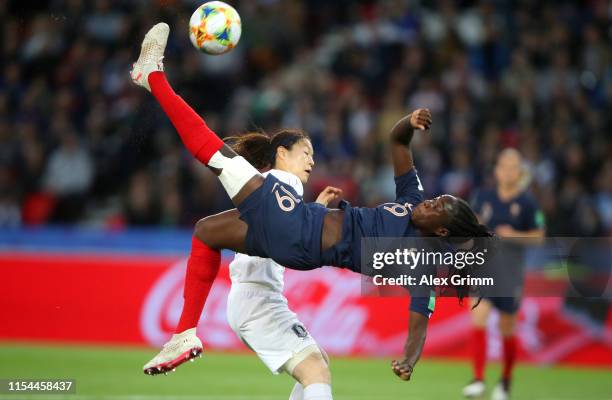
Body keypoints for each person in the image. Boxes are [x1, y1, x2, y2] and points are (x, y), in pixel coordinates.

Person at [131, 23, 491, 388]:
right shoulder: (413, 199)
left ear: (441, 231)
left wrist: (409, 360)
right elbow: (398, 143)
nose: (429, 202)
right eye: (436, 197)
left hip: (299, 233)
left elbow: (419, 321)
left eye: (437, 207)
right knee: (207, 232)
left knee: (218, 157)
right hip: (300, 230)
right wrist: (409, 123)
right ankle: (184, 333)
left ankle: (154, 77)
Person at [144, 129, 341, 400]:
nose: (312, 161)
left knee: (319, 363)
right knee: (315, 371)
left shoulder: (276, 189)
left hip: (258, 300)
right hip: (258, 302)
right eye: (306, 153)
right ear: (282, 154)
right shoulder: (283, 181)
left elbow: (292, 226)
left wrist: (316, 208)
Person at [463, 149, 545, 400]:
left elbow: (539, 237)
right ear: (497, 170)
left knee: (507, 328)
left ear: (520, 173)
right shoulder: (483, 197)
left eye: (513, 167)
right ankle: (478, 379)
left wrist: (513, 235)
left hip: (510, 276)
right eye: (504, 166)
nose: (508, 171)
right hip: (484, 270)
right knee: (478, 316)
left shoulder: (528, 203)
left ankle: (505, 382)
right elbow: (472, 226)